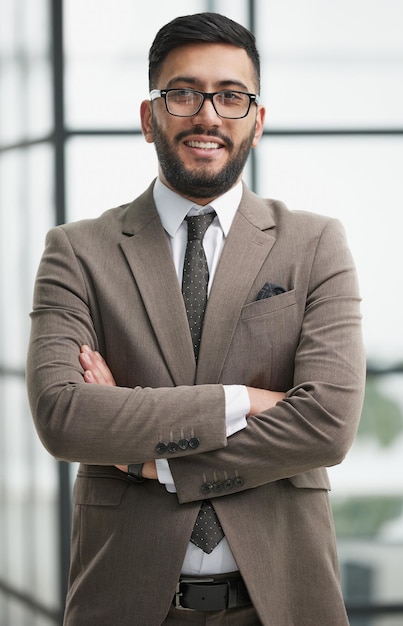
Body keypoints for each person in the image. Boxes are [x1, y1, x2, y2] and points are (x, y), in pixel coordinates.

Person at [26, 12, 366, 626]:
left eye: (231, 97)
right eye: (182, 93)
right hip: (122, 602)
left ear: (256, 122)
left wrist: (147, 460)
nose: (207, 114)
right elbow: (64, 416)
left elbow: (328, 425)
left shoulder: (315, 244)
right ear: (148, 117)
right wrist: (246, 400)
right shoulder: (77, 251)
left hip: (286, 603)